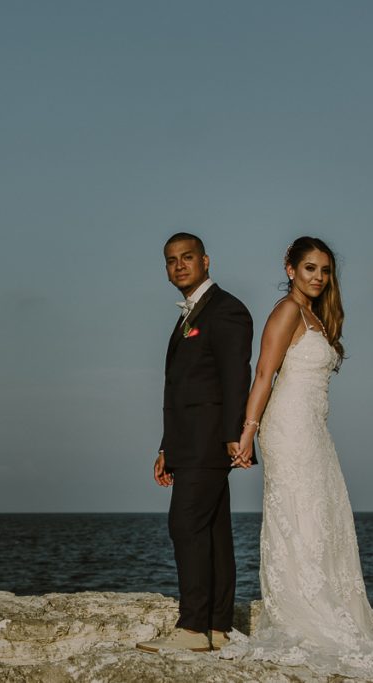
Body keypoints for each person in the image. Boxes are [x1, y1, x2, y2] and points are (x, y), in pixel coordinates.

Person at [227, 236, 373, 676]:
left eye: (325, 271)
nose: (319, 277)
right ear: (290, 268)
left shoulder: (316, 316)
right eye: (310, 268)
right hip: (288, 428)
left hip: (315, 429)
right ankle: (300, 612)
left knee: (324, 513)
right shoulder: (287, 311)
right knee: (299, 513)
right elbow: (264, 373)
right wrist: (247, 433)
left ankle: (327, 605)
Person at [136, 232, 254, 654]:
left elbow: (236, 377)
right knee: (213, 530)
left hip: (211, 440)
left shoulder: (227, 310)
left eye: (187, 257)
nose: (179, 265)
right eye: (171, 260)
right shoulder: (188, 315)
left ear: (206, 261)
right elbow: (181, 388)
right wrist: (166, 447)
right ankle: (218, 627)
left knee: (184, 524)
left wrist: (235, 436)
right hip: (187, 443)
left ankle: (192, 628)